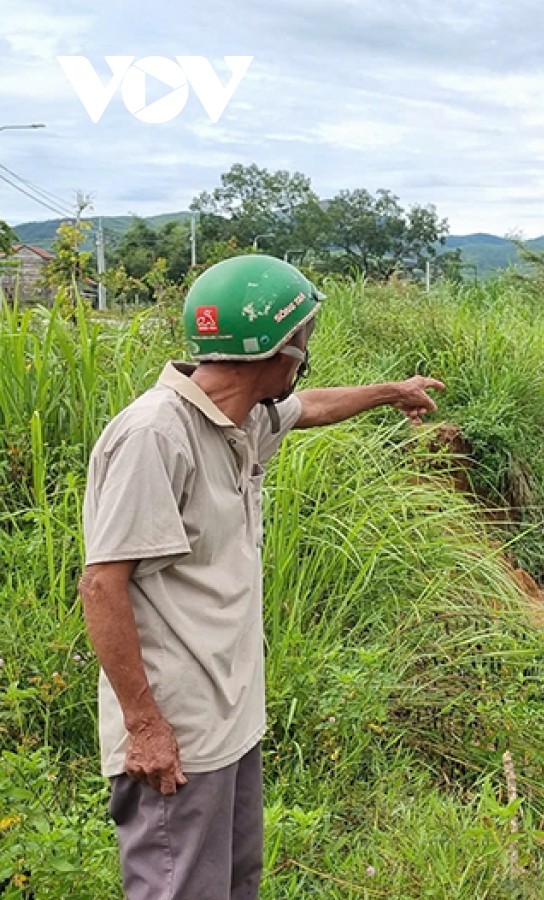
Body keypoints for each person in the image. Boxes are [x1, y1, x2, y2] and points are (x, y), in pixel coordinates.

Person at [77, 255, 445, 900]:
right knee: (180, 888)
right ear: (283, 350)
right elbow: (102, 585)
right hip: (179, 729)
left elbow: (312, 409)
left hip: (230, 721)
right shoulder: (155, 435)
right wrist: (146, 726)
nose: (305, 357)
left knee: (233, 883)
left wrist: (392, 392)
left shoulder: (240, 418)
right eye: (303, 340)